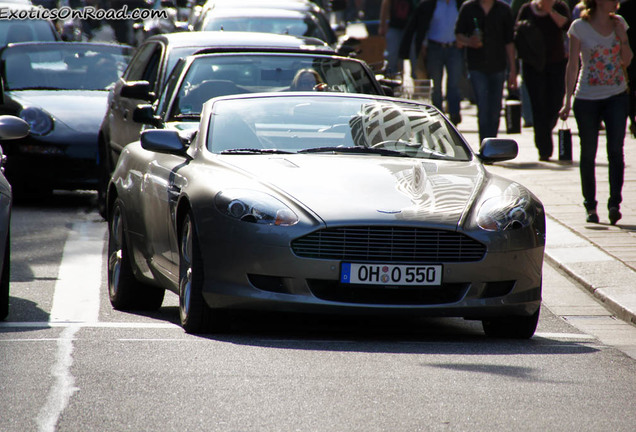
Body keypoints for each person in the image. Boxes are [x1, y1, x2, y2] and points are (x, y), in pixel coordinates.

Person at [558, 0, 633, 225]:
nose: (616, 2)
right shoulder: (579, 27)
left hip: (617, 95)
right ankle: (590, 205)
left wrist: (623, 37)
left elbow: (627, 60)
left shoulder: (620, 23)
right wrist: (567, 101)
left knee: (615, 151)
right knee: (588, 152)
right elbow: (573, 65)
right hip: (587, 98)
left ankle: (614, 204)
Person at [455, 0, 518, 142]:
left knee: (495, 109)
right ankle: (485, 145)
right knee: (483, 107)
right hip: (476, 66)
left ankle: (492, 143)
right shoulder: (469, 8)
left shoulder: (504, 9)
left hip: (498, 65)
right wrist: (469, 41)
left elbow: (509, 42)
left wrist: (513, 70)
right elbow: (458, 35)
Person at [516, 0, 571, 160]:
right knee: (538, 106)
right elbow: (517, 32)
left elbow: (568, 27)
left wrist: (550, 11)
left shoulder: (560, 7)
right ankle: (544, 149)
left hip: (556, 63)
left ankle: (544, 131)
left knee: (555, 103)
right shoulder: (527, 9)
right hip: (533, 65)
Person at [399, 0, 466, 125]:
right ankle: (438, 117)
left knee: (454, 85)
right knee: (436, 86)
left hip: (454, 48)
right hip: (434, 48)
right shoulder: (429, 4)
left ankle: (454, 116)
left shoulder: (459, 4)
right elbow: (419, 25)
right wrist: (422, 45)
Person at [379, 0, 417, 77]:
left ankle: (416, 79)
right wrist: (382, 25)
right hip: (395, 27)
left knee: (414, 55)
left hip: (412, 28)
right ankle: (392, 78)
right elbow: (385, 4)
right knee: (392, 55)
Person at [618, 0, 636, 137]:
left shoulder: (623, 7)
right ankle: (632, 119)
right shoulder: (623, 8)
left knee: (630, 88)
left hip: (628, 55)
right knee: (629, 87)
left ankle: (632, 119)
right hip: (628, 55)